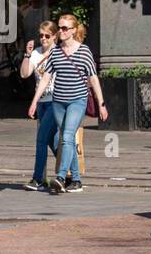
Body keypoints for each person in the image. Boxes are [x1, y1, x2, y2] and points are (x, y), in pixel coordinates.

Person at [29, 14, 107, 194]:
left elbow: (93, 79)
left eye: (65, 28)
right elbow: (46, 78)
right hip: (58, 102)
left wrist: (101, 103)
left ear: (73, 31)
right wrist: (34, 101)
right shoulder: (55, 52)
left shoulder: (84, 51)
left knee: (67, 136)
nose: (61, 31)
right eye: (60, 28)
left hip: (77, 101)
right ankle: (77, 180)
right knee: (67, 139)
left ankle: (61, 177)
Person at [20, 21, 59, 191]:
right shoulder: (36, 53)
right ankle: (72, 172)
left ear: (54, 36)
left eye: (47, 35)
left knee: (42, 139)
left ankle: (38, 179)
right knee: (52, 140)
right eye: (41, 35)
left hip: (56, 101)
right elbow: (24, 74)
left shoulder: (59, 53)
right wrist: (27, 55)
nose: (43, 38)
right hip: (41, 101)